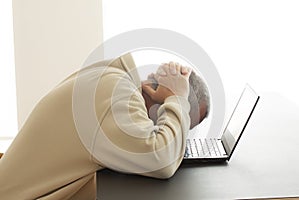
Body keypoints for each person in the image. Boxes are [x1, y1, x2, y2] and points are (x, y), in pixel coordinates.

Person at [0, 53, 210, 199]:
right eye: (176, 117)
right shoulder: (116, 98)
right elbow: (162, 160)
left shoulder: (114, 82)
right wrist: (177, 98)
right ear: (156, 93)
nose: (174, 127)